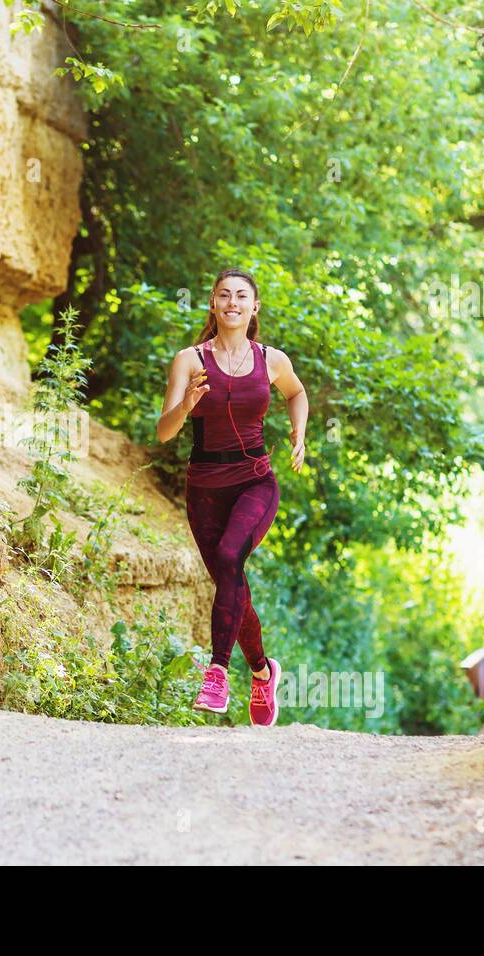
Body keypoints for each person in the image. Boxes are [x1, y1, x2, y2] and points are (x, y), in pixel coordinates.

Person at [155, 268, 309, 726]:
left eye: (242, 296)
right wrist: (184, 407)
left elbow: (296, 392)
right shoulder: (189, 360)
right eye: (224, 295)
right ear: (213, 304)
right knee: (230, 576)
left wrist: (299, 430)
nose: (233, 302)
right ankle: (263, 673)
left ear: (254, 307)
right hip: (203, 486)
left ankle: (217, 674)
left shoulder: (271, 359)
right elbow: (164, 433)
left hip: (254, 482)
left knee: (228, 558)